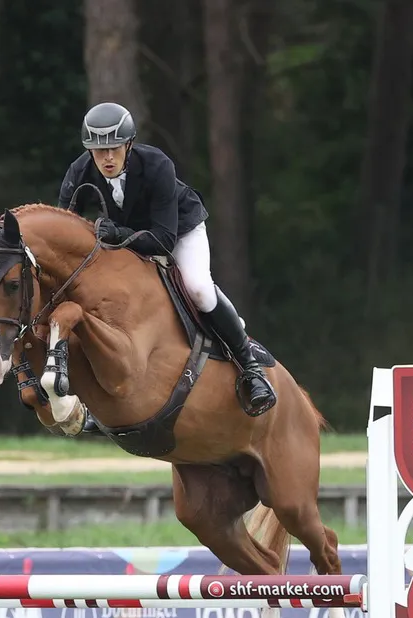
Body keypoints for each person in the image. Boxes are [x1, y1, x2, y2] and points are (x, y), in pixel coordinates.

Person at [57, 102, 276, 416]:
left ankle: (250, 367)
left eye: (114, 149)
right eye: (98, 150)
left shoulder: (157, 164)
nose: (106, 158)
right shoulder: (79, 172)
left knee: (198, 287)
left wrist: (116, 234)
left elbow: (162, 240)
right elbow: (65, 229)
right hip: (127, 241)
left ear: (128, 145)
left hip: (179, 231)